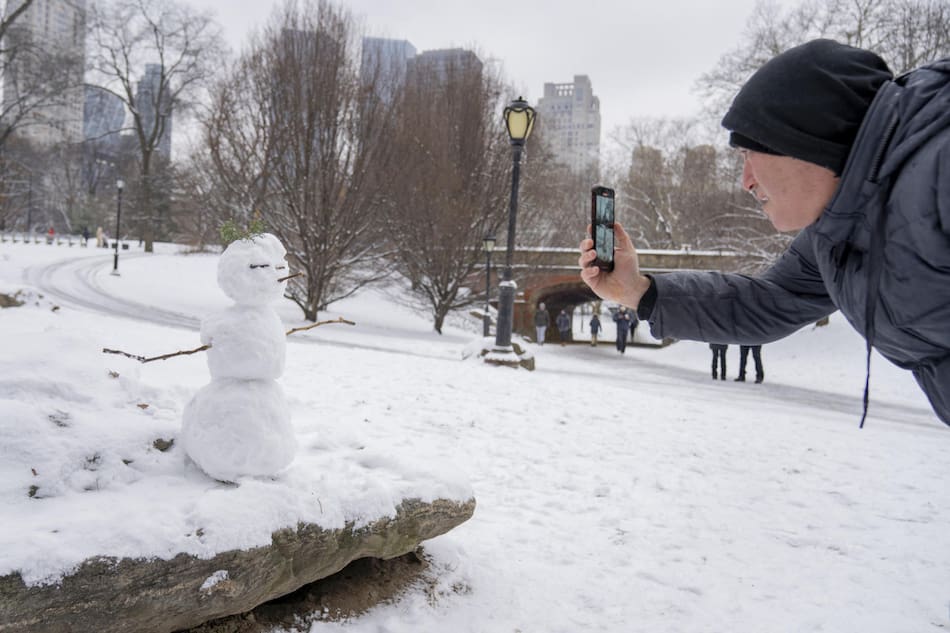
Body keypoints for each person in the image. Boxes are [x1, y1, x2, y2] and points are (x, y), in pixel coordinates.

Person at [579, 39, 950, 428]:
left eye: (749, 155)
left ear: (803, 138)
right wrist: (639, 291)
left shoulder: (936, 174)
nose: (746, 181)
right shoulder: (835, 234)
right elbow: (768, 301)